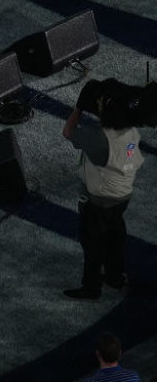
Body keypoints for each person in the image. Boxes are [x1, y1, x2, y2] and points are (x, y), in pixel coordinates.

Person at [62, 79, 146, 300]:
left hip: (99, 199)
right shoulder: (131, 133)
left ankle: (91, 288)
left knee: (92, 244)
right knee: (116, 234)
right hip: (122, 195)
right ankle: (114, 277)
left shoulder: (96, 138)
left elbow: (68, 132)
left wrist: (79, 108)